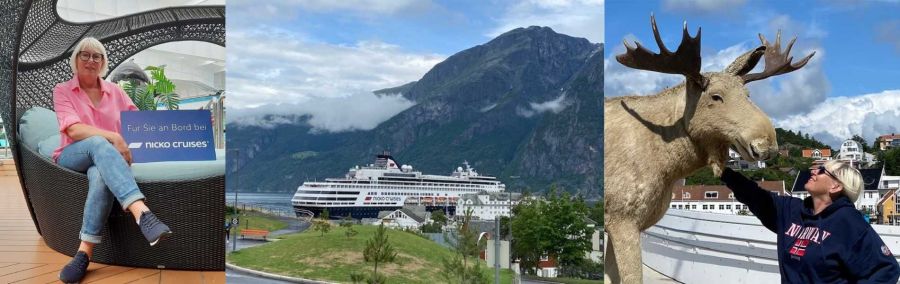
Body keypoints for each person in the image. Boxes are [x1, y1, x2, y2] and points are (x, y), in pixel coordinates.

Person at [53, 37, 172, 283]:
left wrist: (192, 126)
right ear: (76, 60)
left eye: (97, 56)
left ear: (103, 62)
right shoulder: (63, 90)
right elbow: (74, 130)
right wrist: (114, 137)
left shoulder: (115, 91)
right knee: (99, 143)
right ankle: (141, 212)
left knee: (99, 174)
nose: (90, 60)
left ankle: (84, 253)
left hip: (103, 162)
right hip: (72, 155)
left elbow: (142, 124)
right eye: (85, 55)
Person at [721, 160, 900, 283]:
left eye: (822, 171)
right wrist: (723, 170)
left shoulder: (849, 223)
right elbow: (756, 196)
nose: (814, 171)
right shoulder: (793, 210)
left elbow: (886, 270)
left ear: (835, 186)